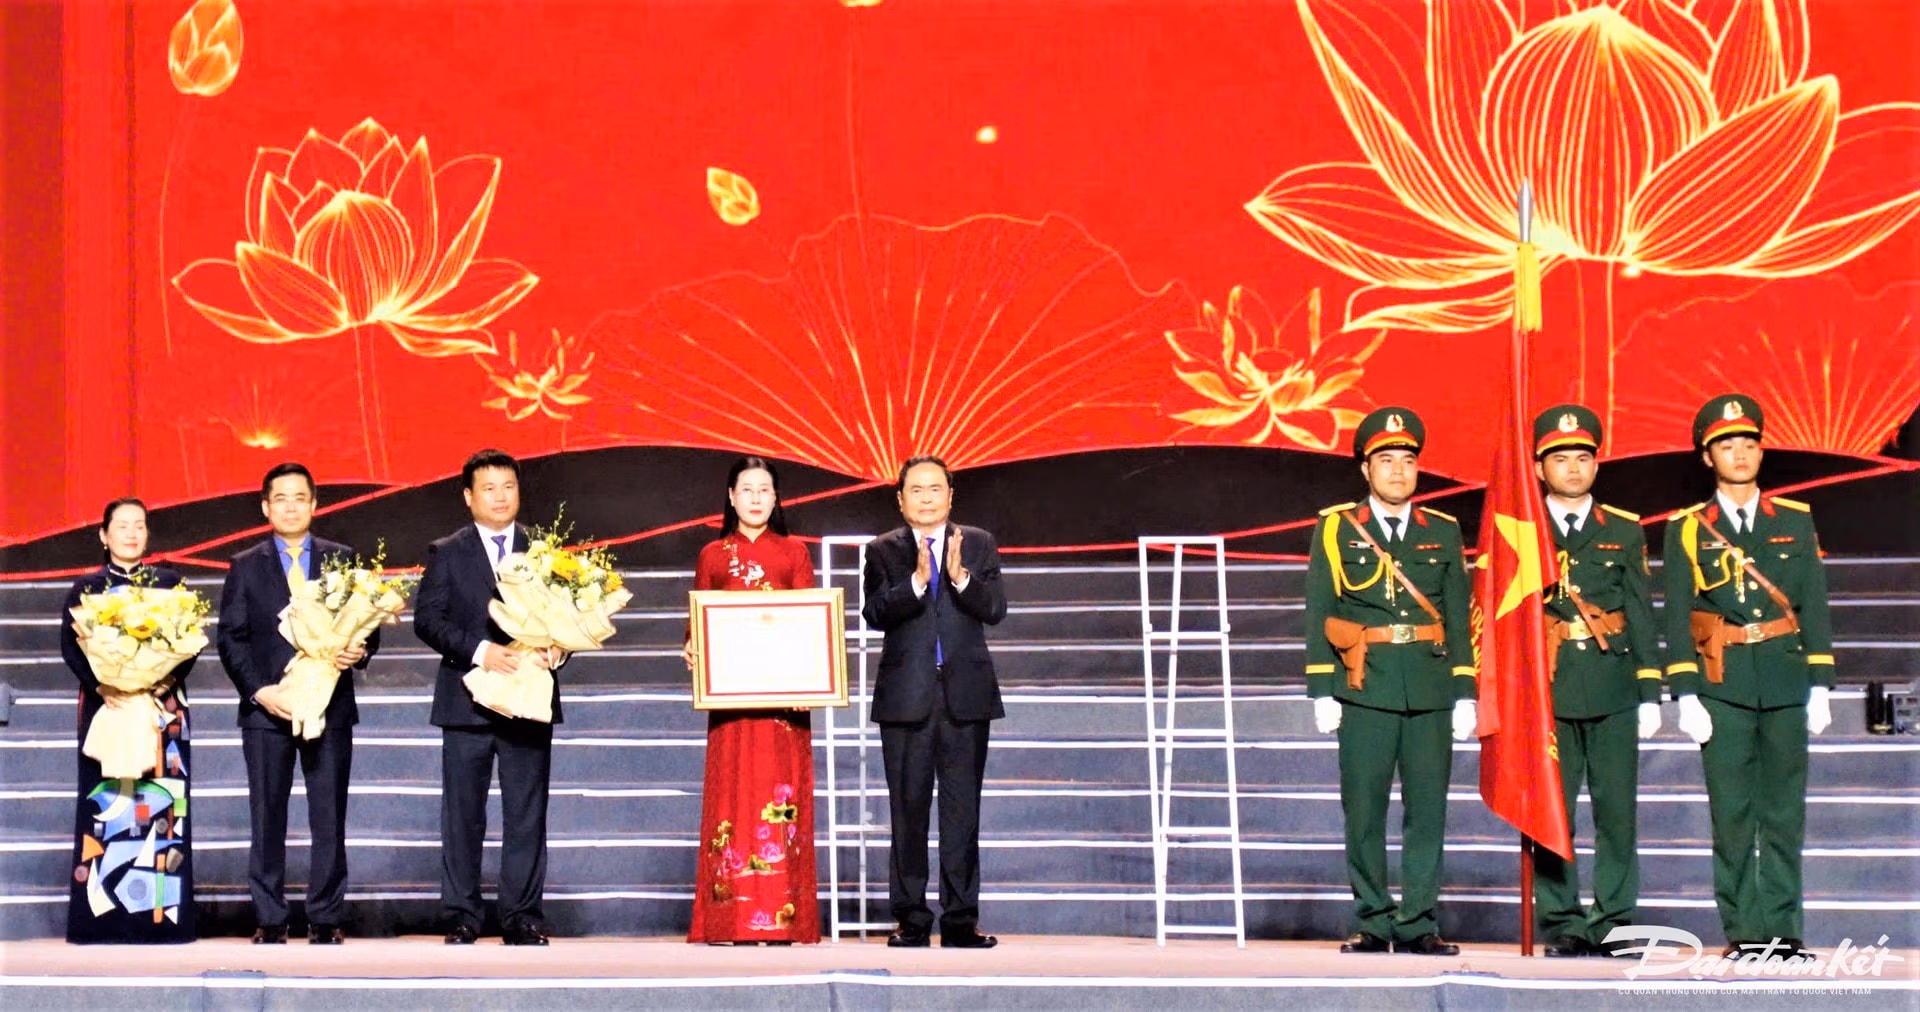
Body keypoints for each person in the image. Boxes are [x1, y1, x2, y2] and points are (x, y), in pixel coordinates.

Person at [1662, 394, 1835, 958]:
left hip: (1784, 679)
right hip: (1723, 684)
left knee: (1784, 813)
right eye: (1726, 446)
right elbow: (1677, 614)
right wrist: (1685, 692)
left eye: (1749, 443)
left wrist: (1821, 683)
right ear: (1706, 457)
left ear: (1762, 451)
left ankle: (1784, 929)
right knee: (1732, 814)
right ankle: (1743, 931)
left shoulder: (1795, 519)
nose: (1739, 454)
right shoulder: (1688, 528)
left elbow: (1813, 603)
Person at [1302, 407, 1475, 956]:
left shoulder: (1442, 530)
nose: (1398, 471)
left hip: (1429, 686)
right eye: (1386, 461)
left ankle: (1419, 920)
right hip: (1364, 686)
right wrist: (1322, 688)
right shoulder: (1337, 528)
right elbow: (1320, 607)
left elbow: (1457, 614)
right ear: (1366, 469)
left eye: (1407, 460)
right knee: (1364, 809)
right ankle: (1373, 920)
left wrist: (1465, 690)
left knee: (1428, 811)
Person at [216, 464, 374, 945]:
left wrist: (359, 650)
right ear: (266, 507)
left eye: (299, 498)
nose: (290, 507)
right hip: (268, 710)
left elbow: (367, 626)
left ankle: (325, 917)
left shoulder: (341, 559)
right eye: (280, 499)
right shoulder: (245, 565)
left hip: (329, 705)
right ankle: (270, 917)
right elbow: (232, 638)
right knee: (267, 816)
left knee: (329, 816)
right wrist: (259, 692)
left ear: (314, 504)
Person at [1526, 405, 1662, 958]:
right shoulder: (1522, 530)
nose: (1573, 467)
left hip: (1612, 684)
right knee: (1551, 811)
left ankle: (1613, 920)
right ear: (1539, 468)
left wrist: (1650, 691)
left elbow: (1640, 611)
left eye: (1583, 457)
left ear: (1597, 464)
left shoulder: (1622, 529)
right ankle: (1562, 919)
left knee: (1616, 812)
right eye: (1560, 458)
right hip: (1548, 688)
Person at [415, 449, 564, 946]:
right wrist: (481, 652)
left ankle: (521, 916)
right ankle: (462, 915)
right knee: (463, 816)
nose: (500, 497)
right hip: (467, 702)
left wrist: (559, 650)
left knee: (527, 814)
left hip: (528, 699)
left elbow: (565, 618)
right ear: (468, 496)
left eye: (508, 486)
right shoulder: (447, 551)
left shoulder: (545, 551)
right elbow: (427, 621)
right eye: (489, 488)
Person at [861, 455, 1007, 949]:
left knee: (963, 813)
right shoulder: (883, 551)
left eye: (935, 489)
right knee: (908, 812)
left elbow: (996, 609)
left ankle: (961, 921)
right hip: (907, 698)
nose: (926, 498)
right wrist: (917, 582)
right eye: (916, 490)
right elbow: (875, 612)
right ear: (901, 500)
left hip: (965, 696)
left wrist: (960, 578)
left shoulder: (979, 543)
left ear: (950, 495)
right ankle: (912, 920)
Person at [681, 457, 822, 944]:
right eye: (747, 489)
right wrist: (693, 647)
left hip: (784, 708)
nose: (757, 498)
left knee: (781, 801)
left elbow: (809, 624)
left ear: (776, 498)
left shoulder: (794, 552)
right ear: (731, 496)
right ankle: (729, 920)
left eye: (765, 489)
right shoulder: (713, 554)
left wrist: (809, 683)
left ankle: (783, 919)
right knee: (732, 800)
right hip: (732, 706)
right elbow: (698, 623)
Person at [61, 498, 199, 944]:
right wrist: (103, 685)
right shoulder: (86, 590)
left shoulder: (171, 585)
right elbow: (70, 647)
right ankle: (101, 919)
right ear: (104, 535)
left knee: (162, 806)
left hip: (162, 710)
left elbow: (189, 644)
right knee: (107, 805)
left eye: (139, 525)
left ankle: (160, 919)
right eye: (122, 526)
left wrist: (164, 679)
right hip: (110, 708)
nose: (131, 533)